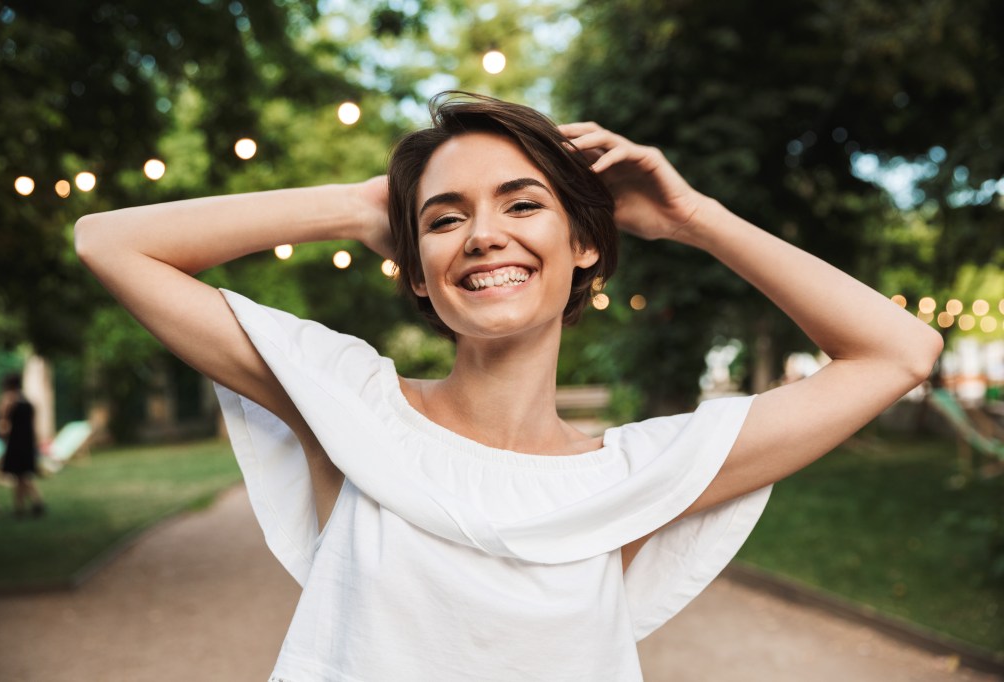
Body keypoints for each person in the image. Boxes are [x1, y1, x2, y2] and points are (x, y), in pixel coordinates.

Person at [75, 92, 942, 680]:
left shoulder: (644, 475)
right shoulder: (345, 401)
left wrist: (693, 219)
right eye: (446, 219)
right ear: (416, 270)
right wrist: (355, 203)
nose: (484, 236)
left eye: (523, 205)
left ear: (585, 245)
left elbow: (899, 350)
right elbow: (108, 243)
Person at [0, 373, 46, 518]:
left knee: (19, 476)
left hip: (15, 442)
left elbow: (3, 424)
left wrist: (0, 437)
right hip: (27, 441)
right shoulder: (29, 402)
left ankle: (20, 507)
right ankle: (35, 503)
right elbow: (33, 424)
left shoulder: (7, 401)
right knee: (23, 476)